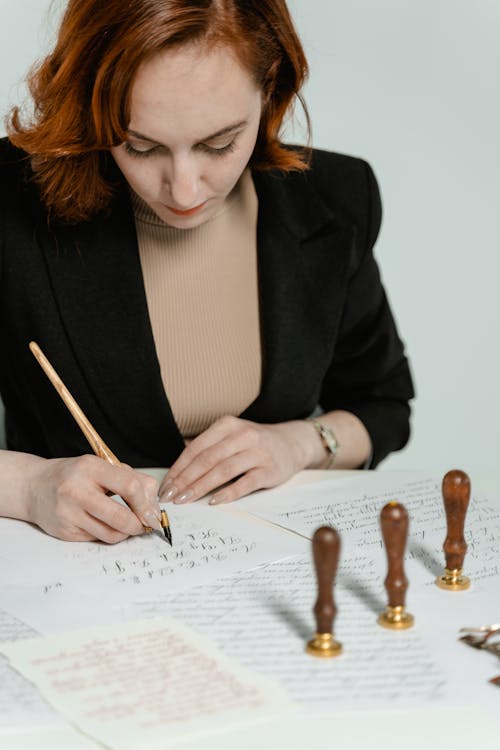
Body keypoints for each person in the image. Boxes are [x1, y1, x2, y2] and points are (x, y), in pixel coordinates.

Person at [0, 0, 414, 544]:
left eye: (219, 143)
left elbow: (382, 406)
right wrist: (28, 485)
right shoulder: (11, 200)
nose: (185, 191)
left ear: (270, 88)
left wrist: (301, 442)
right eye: (140, 146)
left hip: (269, 573)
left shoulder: (335, 198)